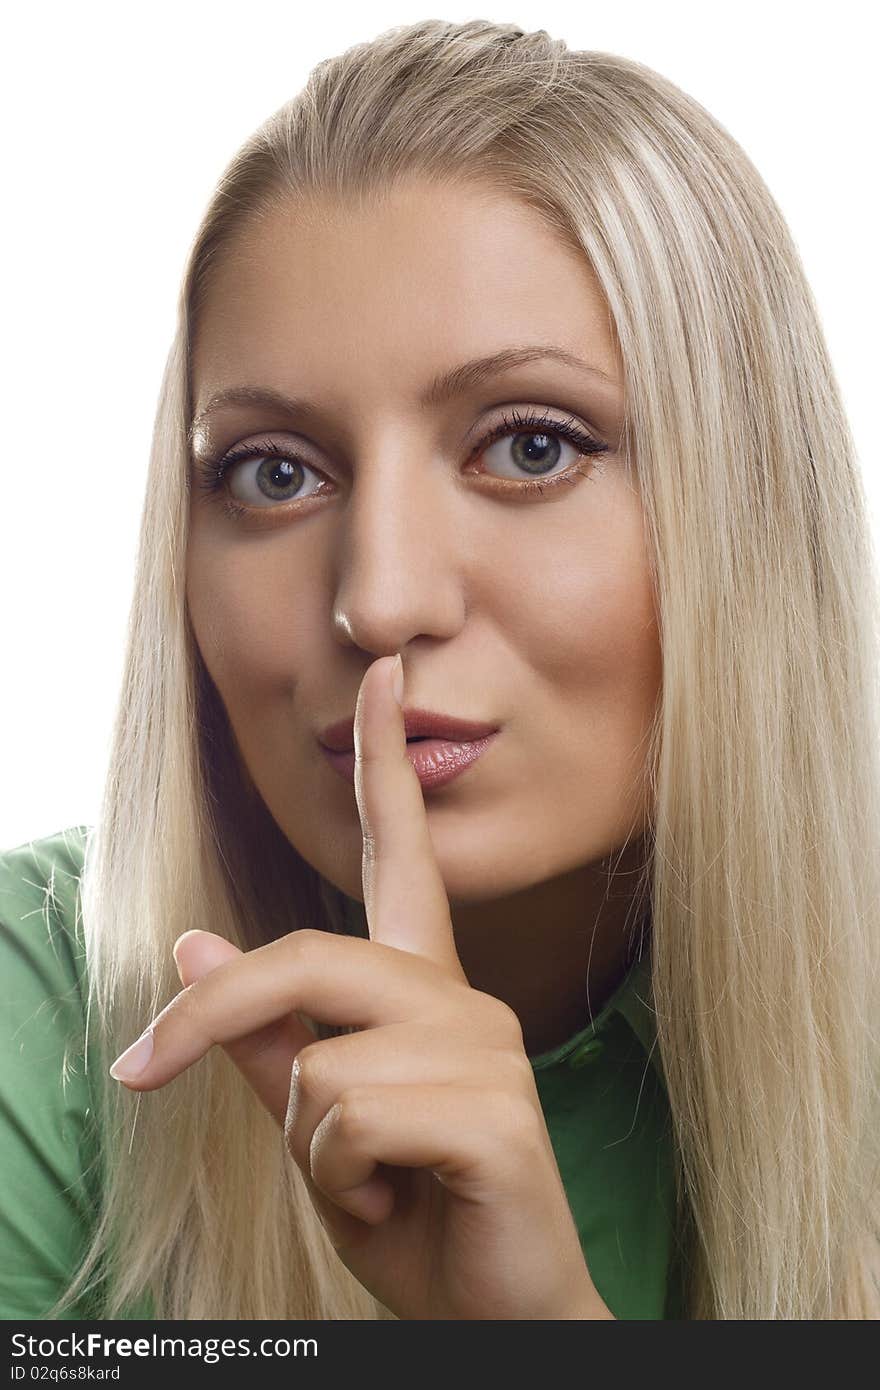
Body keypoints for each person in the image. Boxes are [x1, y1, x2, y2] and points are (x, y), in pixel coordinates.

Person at [1, 17, 878, 1322]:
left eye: (530, 447)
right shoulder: (37, 1012)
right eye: (275, 473)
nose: (380, 599)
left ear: (749, 512)